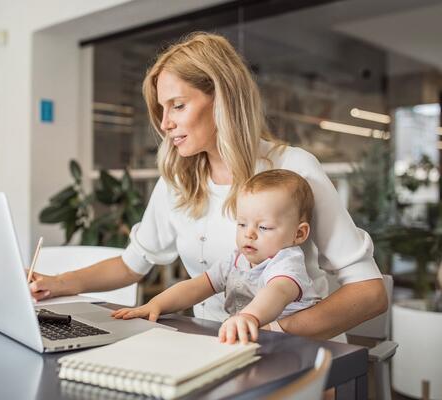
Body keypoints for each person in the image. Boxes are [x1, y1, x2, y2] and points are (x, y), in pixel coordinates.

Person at [30, 32, 387, 340]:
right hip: (215, 345)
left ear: (222, 99)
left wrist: (274, 333)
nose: (165, 123)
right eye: (161, 109)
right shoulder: (178, 181)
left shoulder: (292, 169)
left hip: (292, 350)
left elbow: (369, 293)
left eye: (178, 106)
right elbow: (132, 264)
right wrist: (58, 284)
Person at [113, 169, 321, 344]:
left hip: (295, 346)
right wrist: (156, 305)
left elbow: (277, 292)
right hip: (256, 340)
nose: (249, 233)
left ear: (299, 234)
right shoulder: (236, 260)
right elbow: (197, 286)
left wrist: (249, 316)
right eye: (242, 224)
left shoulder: (287, 262)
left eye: (264, 227)